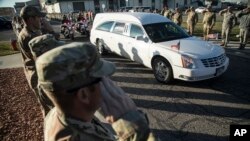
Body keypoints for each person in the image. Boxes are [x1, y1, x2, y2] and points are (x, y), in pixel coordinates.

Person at [36, 42, 157, 141]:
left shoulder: (58, 115)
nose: (108, 83)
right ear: (84, 94)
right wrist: (134, 129)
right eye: (101, 78)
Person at [18, 5, 57, 117]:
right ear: (30, 19)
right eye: (38, 17)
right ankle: (52, 132)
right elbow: (49, 53)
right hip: (39, 77)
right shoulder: (30, 37)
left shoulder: (33, 31)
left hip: (39, 74)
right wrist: (51, 31)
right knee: (50, 110)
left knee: (50, 108)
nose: (41, 19)